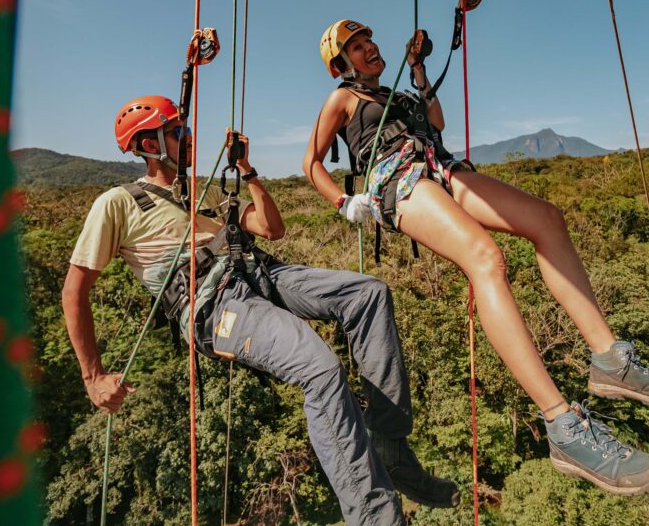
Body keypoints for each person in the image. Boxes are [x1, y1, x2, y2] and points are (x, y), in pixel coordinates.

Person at [303, 20, 649, 496]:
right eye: (357, 45)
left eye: (369, 40)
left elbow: (436, 124)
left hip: (439, 166)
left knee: (547, 219)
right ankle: (562, 425)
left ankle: (610, 359)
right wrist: (343, 201)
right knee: (486, 259)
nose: (370, 47)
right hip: (399, 181)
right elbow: (310, 162)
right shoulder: (343, 100)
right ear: (341, 62)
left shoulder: (397, 94)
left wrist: (418, 68)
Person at [62, 95, 459, 526]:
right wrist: (93, 377)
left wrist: (248, 172)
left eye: (185, 129)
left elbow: (272, 228)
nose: (189, 137)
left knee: (368, 295)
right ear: (147, 145)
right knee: (319, 368)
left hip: (259, 272)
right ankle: (375, 517)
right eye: (176, 132)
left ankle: (390, 444)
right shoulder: (118, 203)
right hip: (214, 303)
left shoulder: (205, 189)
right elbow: (74, 291)